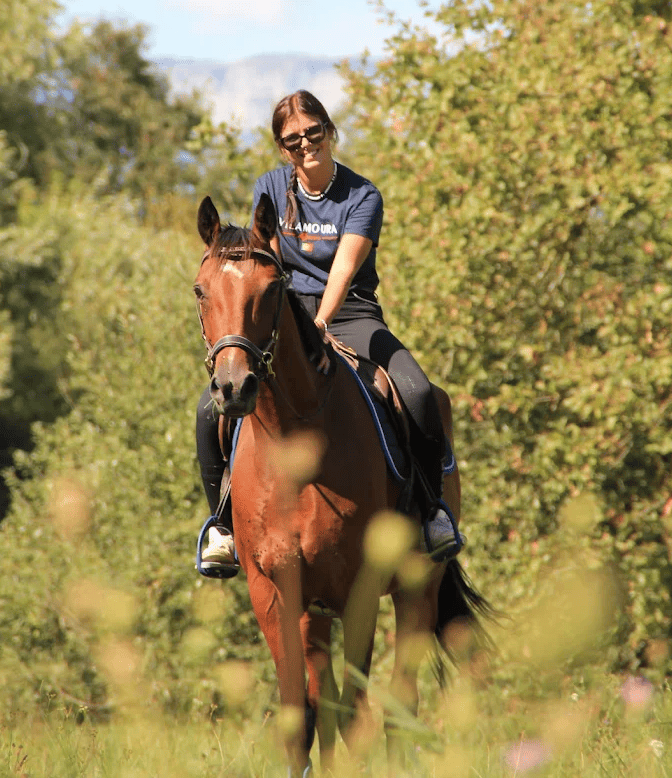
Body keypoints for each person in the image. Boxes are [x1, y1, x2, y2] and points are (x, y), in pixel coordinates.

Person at [197, 90, 458, 574]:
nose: (304, 145)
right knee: (205, 409)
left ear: (329, 131)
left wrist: (320, 324)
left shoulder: (362, 196)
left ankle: (432, 512)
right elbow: (266, 261)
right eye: (291, 139)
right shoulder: (270, 189)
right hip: (288, 316)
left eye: (312, 133)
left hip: (352, 314)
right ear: (281, 147)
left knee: (418, 391)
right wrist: (289, 323)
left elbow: (342, 271)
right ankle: (222, 527)